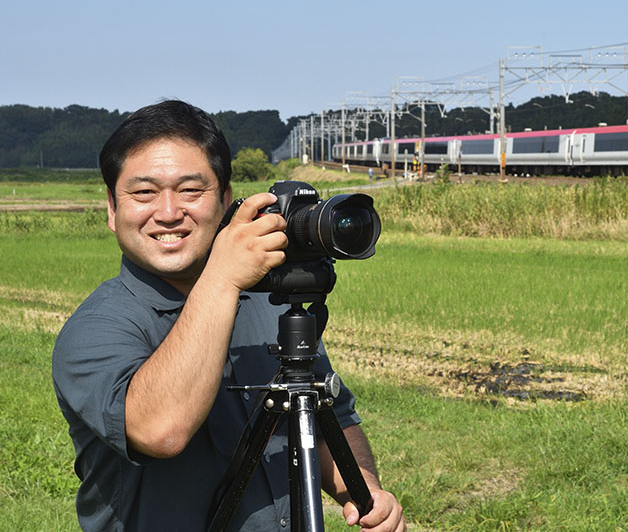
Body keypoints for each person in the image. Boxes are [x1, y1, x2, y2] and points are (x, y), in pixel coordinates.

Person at [51, 100, 405, 531]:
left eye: (190, 190)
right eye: (143, 192)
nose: (167, 212)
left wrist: (364, 491)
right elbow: (160, 429)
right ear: (111, 208)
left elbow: (331, 414)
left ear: (224, 200)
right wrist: (220, 279)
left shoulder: (266, 302)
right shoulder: (97, 328)